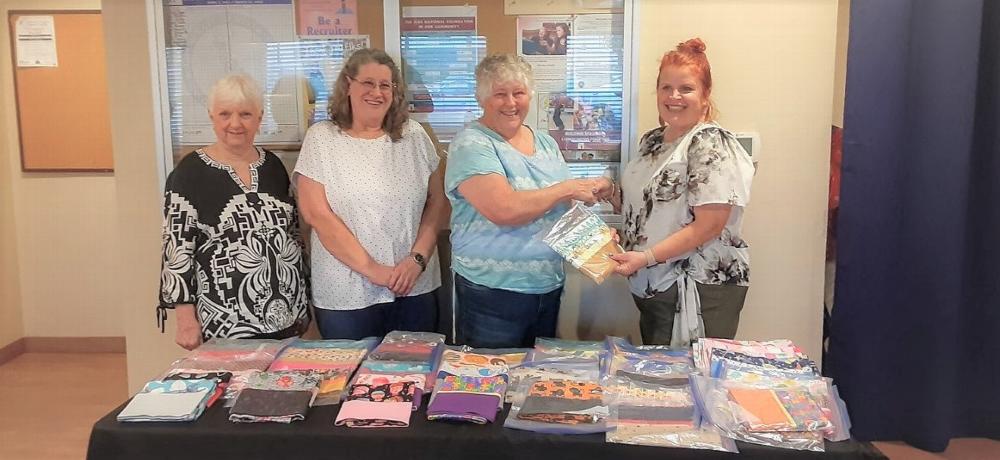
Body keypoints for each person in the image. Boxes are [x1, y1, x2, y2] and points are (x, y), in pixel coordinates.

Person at [445, 54, 613, 348]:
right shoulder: (471, 143)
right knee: (489, 382)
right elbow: (504, 209)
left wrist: (599, 245)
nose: (511, 103)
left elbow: (561, 210)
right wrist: (567, 188)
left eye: (518, 93)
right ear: (482, 97)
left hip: (546, 288)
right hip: (492, 294)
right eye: (500, 94)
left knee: (534, 381)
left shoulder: (546, 142)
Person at [294, 48, 448, 340]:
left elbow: (438, 203)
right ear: (348, 85)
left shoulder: (413, 136)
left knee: (413, 377)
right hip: (346, 294)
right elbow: (316, 213)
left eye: (385, 85)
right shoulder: (322, 138)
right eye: (368, 83)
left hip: (412, 286)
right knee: (349, 381)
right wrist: (372, 269)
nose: (376, 92)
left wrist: (417, 259)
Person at [610, 38, 756, 346]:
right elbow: (649, 207)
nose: (674, 97)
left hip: (696, 286)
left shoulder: (709, 143)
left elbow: (710, 224)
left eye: (686, 88)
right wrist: (610, 194)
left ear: (705, 96)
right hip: (652, 284)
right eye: (666, 87)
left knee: (690, 381)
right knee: (662, 383)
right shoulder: (652, 142)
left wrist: (646, 257)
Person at [158, 74, 310, 350]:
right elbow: (177, 250)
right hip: (224, 322)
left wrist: (304, 301)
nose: (235, 124)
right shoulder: (188, 174)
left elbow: (293, 234)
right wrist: (185, 319)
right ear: (211, 116)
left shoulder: (273, 166)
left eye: (245, 114)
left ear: (260, 117)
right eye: (225, 114)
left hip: (286, 315)